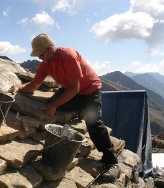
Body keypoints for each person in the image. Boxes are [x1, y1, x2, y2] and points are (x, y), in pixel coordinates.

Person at [8, 33, 120, 181]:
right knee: (49, 106)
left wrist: (54, 104)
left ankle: (112, 161)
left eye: (41, 54)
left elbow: (75, 87)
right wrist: (18, 87)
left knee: (93, 122)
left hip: (90, 90)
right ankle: (80, 107)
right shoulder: (45, 64)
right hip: (70, 90)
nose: (39, 58)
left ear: (51, 48)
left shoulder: (68, 56)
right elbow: (34, 85)